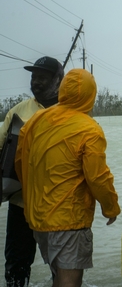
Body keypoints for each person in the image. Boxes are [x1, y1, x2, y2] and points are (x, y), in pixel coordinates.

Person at [15, 68, 120, 287]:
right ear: (91, 95)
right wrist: (110, 207)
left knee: (58, 277)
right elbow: (98, 177)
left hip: (39, 220)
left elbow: (20, 163)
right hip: (69, 220)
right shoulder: (89, 129)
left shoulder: (35, 120)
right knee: (69, 282)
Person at [0, 56, 64, 287]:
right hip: (20, 203)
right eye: (33, 77)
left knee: (63, 267)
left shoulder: (72, 111)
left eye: (43, 77)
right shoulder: (18, 111)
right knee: (16, 265)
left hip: (58, 205)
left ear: (58, 80)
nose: (36, 82)